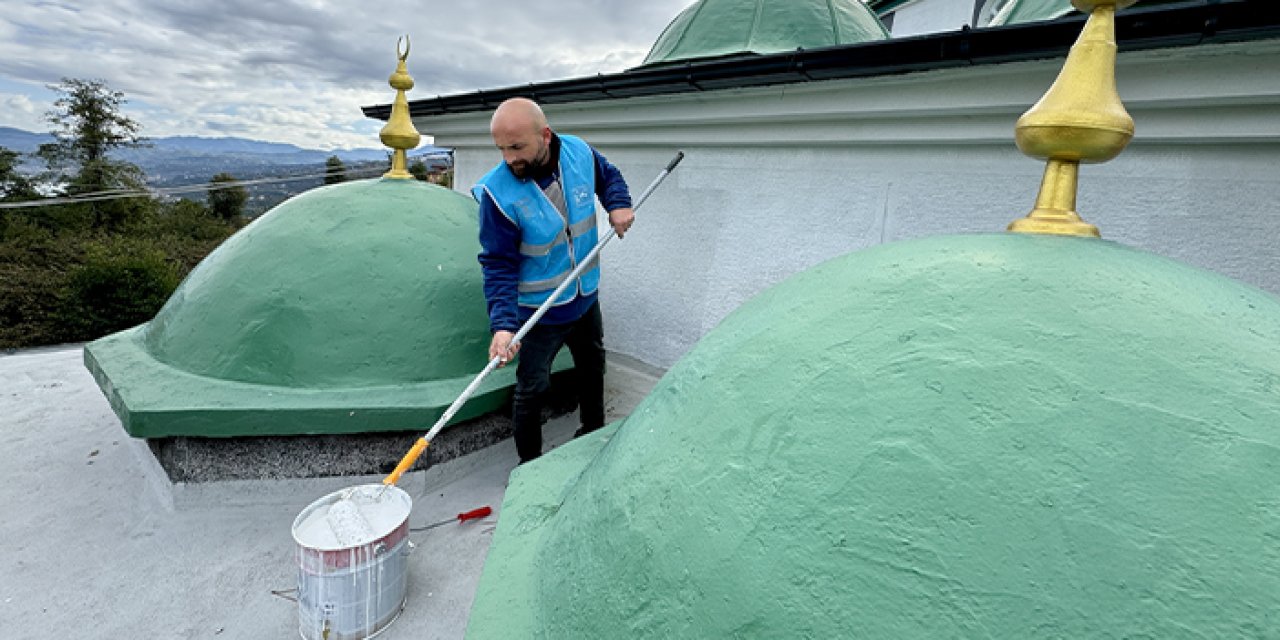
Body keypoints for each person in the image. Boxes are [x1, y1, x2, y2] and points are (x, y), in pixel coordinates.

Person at [472, 97, 634, 464]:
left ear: (545, 135)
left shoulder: (579, 152)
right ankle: (529, 467)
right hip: (538, 312)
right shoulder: (498, 195)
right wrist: (502, 327)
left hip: (585, 294)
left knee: (593, 366)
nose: (509, 158)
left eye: (517, 147)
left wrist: (618, 204)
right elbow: (497, 265)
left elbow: (608, 177)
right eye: (501, 149)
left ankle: (593, 433)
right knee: (531, 389)